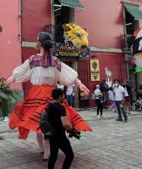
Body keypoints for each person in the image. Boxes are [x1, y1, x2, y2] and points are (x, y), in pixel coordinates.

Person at [7, 32, 92, 161]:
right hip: (52, 96)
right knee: (49, 123)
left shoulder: (34, 59)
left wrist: (9, 79)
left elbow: (20, 72)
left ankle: (44, 150)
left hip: (36, 95)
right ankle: (46, 151)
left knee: (39, 123)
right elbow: (69, 75)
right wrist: (79, 83)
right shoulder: (56, 61)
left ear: (39, 43)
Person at [46, 89, 75, 169]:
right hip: (59, 135)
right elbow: (65, 123)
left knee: (53, 156)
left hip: (51, 134)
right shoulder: (61, 108)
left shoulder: (49, 105)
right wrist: (72, 130)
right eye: (63, 95)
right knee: (70, 155)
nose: (64, 97)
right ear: (59, 96)